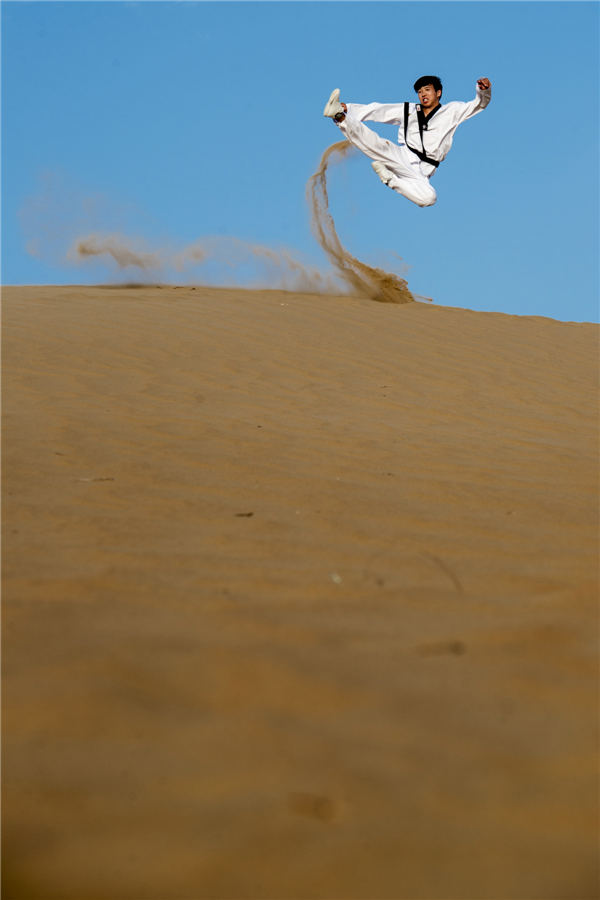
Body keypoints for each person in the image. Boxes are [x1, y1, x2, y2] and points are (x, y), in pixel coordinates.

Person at [323, 76, 492, 208]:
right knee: (373, 144)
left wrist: (483, 90)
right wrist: (349, 108)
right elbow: (378, 110)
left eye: (427, 90)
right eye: (420, 92)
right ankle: (339, 115)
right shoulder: (409, 110)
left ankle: (390, 179)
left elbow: (479, 104)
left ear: (438, 92)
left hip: (421, 171)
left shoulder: (452, 110)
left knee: (429, 198)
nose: (423, 94)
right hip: (402, 155)